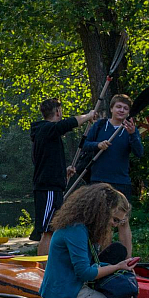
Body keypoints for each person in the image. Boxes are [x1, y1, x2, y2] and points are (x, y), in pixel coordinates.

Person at [30, 98, 99, 256]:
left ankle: (49, 265)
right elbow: (67, 124)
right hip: (47, 189)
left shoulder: (48, 134)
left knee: (53, 230)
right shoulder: (46, 129)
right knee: (47, 231)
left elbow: (47, 162)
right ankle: (42, 267)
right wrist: (88, 116)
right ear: (57, 111)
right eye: (61, 111)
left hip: (53, 187)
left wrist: (63, 173)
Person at [79, 94, 144, 254]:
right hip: (99, 181)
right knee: (100, 221)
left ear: (128, 112)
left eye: (125, 108)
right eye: (118, 107)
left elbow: (139, 153)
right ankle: (100, 257)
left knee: (123, 221)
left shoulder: (130, 129)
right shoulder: (100, 125)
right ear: (112, 108)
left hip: (121, 181)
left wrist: (133, 134)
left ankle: (128, 259)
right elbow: (84, 145)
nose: (121, 110)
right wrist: (98, 145)